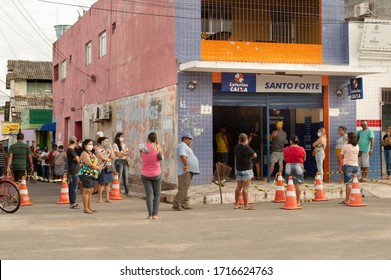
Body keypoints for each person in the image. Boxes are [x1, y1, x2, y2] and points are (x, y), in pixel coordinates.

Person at [173, 132, 200, 211]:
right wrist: (187, 165)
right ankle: (176, 204)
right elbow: (182, 156)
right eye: (189, 139)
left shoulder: (185, 146)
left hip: (188, 171)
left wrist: (190, 147)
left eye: (191, 139)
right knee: (183, 188)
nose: (190, 140)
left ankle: (184, 203)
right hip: (185, 171)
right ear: (184, 139)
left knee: (185, 188)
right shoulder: (182, 146)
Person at [140, 132, 163, 219]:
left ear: (148, 138)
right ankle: (155, 215)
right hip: (156, 173)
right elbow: (160, 158)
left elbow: (142, 157)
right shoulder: (157, 147)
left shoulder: (143, 147)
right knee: (157, 195)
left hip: (145, 174)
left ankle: (149, 215)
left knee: (149, 195)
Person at [233, 133, 257, 210]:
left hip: (238, 169)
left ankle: (236, 204)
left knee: (238, 187)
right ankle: (246, 205)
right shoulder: (247, 148)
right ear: (246, 140)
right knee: (245, 188)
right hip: (247, 169)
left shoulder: (236, 148)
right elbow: (254, 155)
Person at [78, 139, 101, 214]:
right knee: (86, 191)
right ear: (85, 145)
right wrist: (98, 167)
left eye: (91, 144)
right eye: (89, 144)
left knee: (90, 191)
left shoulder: (91, 153)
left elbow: (96, 163)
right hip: (86, 174)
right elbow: (90, 164)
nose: (91, 145)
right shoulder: (84, 153)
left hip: (92, 174)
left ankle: (89, 207)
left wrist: (98, 167)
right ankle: (85, 208)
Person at [283, 135, 306, 206]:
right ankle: (298, 202)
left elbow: (284, 158)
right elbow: (304, 158)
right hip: (299, 166)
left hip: (289, 167)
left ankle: (289, 201)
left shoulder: (286, 149)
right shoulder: (301, 149)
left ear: (291, 141)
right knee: (297, 185)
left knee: (289, 185)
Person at [339, 132, 360, 204]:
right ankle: (355, 198)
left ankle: (347, 199)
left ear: (349, 138)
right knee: (355, 183)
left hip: (348, 166)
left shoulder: (346, 146)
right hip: (356, 166)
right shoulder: (357, 146)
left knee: (348, 183)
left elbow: (341, 155)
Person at [95, 136, 114, 203]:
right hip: (101, 167)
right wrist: (108, 159)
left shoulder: (107, 149)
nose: (107, 143)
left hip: (108, 167)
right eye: (106, 141)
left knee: (108, 183)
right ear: (101, 141)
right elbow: (102, 157)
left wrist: (111, 147)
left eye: (107, 141)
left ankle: (107, 198)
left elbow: (112, 157)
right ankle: (100, 198)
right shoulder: (98, 149)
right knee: (101, 183)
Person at [113, 132, 131, 197]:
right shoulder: (115, 145)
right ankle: (118, 191)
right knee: (119, 177)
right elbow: (117, 154)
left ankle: (127, 191)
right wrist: (124, 153)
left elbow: (129, 152)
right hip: (119, 161)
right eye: (121, 136)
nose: (122, 138)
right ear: (118, 137)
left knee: (125, 177)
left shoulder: (124, 144)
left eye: (123, 136)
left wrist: (122, 153)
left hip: (124, 161)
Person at [66, 136, 80, 209]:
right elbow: (77, 159)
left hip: (72, 170)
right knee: (73, 187)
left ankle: (72, 202)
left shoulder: (69, 150)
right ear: (75, 142)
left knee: (72, 186)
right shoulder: (71, 150)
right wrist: (78, 159)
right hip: (73, 170)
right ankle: (72, 202)